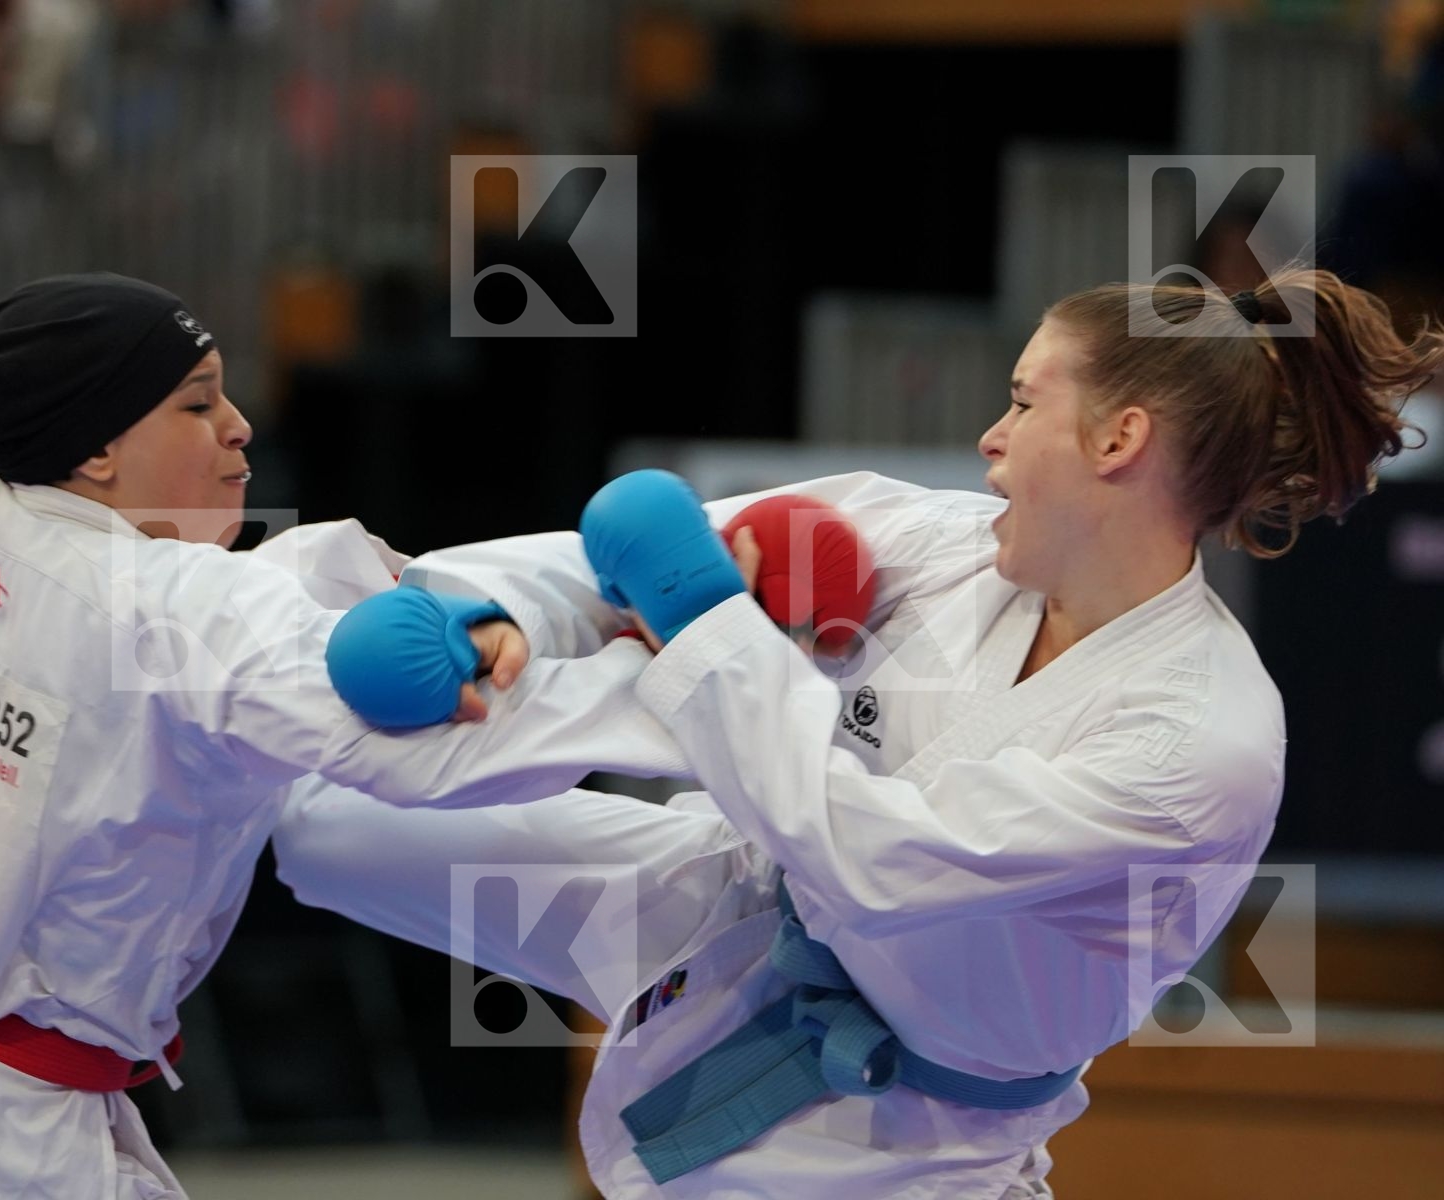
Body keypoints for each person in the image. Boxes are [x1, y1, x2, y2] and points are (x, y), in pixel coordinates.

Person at [278, 267, 1440, 1197]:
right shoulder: (939, 539)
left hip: (899, 1145)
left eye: (1027, 402)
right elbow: (620, 558)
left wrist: (711, 627)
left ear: (1117, 441)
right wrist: (475, 613)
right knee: (324, 818)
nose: (992, 436)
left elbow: (875, 863)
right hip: (736, 902)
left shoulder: (1200, 743)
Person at [0, 272, 687, 1199]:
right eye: (198, 403)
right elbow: (423, 746)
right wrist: (698, 652)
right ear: (97, 450)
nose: (239, 425)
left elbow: (285, 590)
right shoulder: (171, 612)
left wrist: (502, 610)